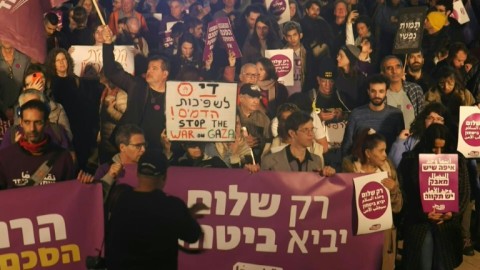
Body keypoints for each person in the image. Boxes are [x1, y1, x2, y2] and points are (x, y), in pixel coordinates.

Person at [104, 150, 205, 269]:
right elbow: (192, 235)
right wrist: (188, 216)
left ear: (137, 173)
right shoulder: (171, 206)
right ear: (164, 177)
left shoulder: (121, 200)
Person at [398, 123, 470, 270]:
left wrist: (452, 213)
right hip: (420, 224)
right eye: (434, 148)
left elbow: (464, 192)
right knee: (423, 263)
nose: (438, 153)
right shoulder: (411, 159)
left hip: (447, 225)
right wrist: (423, 214)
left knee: (443, 264)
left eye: (442, 148)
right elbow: (406, 195)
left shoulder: (458, 159)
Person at [342, 128, 402, 270]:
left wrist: (393, 190)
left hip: (383, 237)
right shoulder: (350, 172)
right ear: (368, 153)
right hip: (358, 237)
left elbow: (398, 207)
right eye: (381, 151)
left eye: (385, 150)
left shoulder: (388, 171)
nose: (385, 155)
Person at [102, 25, 169, 151]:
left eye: (154, 69)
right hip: (128, 148)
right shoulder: (137, 85)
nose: (149, 71)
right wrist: (107, 44)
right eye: (148, 68)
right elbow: (111, 72)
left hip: (156, 150)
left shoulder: (173, 95)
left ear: (165, 74)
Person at [0, 100, 75, 189]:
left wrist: (86, 183)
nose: (32, 129)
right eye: (27, 122)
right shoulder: (5, 158)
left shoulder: (63, 158)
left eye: (38, 122)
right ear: (21, 123)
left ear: (47, 123)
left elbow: (69, 194)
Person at [341, 74, 404, 157]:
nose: (377, 95)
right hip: (361, 165)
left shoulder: (396, 115)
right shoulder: (356, 114)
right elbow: (347, 146)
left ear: (386, 92)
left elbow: (401, 146)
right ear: (368, 91)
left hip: (389, 164)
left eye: (381, 91)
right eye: (373, 91)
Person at [261, 111, 335, 175]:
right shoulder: (270, 161)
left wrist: (328, 174)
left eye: (312, 129)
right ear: (292, 133)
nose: (311, 134)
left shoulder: (316, 160)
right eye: (305, 130)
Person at [388, 102, 454, 168]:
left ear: (445, 122)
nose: (434, 122)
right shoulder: (413, 139)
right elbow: (394, 165)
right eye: (430, 118)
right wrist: (400, 141)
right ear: (424, 120)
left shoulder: (450, 141)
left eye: (439, 119)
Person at [381, 55, 424, 129]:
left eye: (398, 67)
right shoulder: (380, 94)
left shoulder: (415, 89)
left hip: (413, 138)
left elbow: (422, 117)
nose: (394, 71)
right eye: (389, 68)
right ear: (383, 73)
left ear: (403, 69)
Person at [237, 83, 272, 164]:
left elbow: (268, 143)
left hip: (257, 163)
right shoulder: (232, 115)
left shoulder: (263, 118)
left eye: (258, 97)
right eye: (251, 97)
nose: (256, 101)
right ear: (241, 98)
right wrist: (242, 142)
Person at [0, 40, 30, 122]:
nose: (6, 39)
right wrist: (4, 109)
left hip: (20, 114)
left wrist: (16, 108)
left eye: (9, 35)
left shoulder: (24, 60)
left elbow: (27, 87)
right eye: (4, 35)